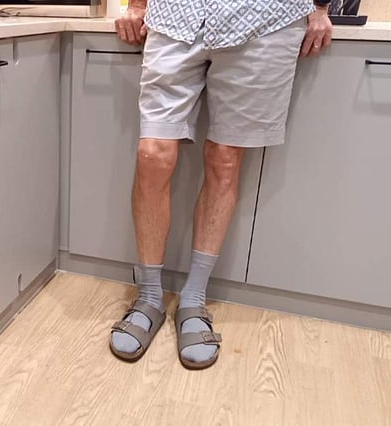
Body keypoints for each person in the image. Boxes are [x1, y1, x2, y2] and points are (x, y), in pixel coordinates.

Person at [109, 0, 333, 369]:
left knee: (225, 159)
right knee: (153, 154)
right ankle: (149, 295)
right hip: (175, 18)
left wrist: (321, 7)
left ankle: (194, 298)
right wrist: (137, 4)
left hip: (265, 20)